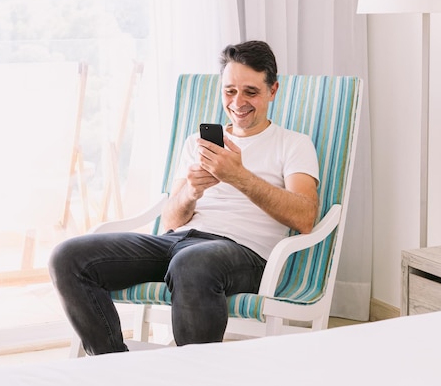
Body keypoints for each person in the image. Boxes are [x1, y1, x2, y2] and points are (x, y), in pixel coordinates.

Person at [48, 40, 320, 355]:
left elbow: (304, 217)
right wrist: (192, 191)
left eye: (251, 92)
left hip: (244, 253)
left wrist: (239, 176)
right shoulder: (197, 143)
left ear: (273, 91)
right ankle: (114, 368)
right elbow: (171, 220)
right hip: (178, 242)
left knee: (191, 263)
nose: (238, 102)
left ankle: (194, 375)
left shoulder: (294, 145)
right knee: (68, 257)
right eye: (229, 91)